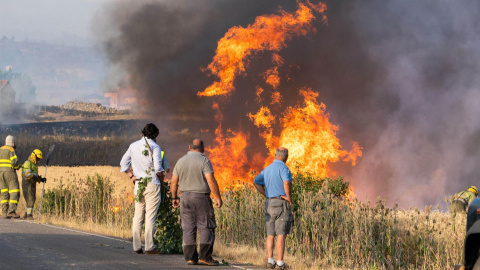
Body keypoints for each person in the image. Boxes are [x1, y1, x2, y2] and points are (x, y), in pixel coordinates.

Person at [170, 139, 223, 266]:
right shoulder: (204, 160)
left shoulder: (180, 161)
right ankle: (204, 257)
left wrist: (174, 198)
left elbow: (173, 182)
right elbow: (210, 180)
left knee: (188, 227)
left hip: (185, 198)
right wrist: (218, 197)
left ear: (189, 147)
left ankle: (190, 258)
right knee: (206, 226)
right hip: (201, 198)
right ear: (203, 149)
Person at [120, 123, 165, 255]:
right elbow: (157, 167)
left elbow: (123, 163)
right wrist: (162, 177)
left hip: (139, 184)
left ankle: (136, 247)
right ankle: (150, 247)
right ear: (155, 135)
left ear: (143, 133)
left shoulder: (133, 146)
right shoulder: (155, 146)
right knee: (150, 216)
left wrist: (131, 176)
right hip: (152, 184)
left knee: (138, 215)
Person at [253, 147, 294, 270]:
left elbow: (256, 182)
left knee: (270, 233)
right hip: (281, 203)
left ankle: (270, 261)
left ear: (275, 155)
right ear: (286, 157)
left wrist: (266, 194)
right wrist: (288, 197)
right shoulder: (283, 168)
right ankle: (280, 263)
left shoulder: (267, 169)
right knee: (281, 233)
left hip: (270, 203)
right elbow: (286, 182)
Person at [21, 149, 46, 220]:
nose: (38, 159)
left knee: (32, 199)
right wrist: (35, 176)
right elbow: (28, 174)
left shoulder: (35, 165)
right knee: (30, 199)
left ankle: (26, 214)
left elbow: (35, 176)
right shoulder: (27, 163)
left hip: (32, 183)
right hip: (27, 183)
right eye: (37, 158)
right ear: (34, 156)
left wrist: (41, 179)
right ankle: (29, 215)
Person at [0, 135, 21, 219]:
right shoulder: (11, 149)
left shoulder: (0, 149)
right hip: (9, 173)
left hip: (0, 173)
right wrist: (18, 167)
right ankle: (12, 211)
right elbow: (14, 163)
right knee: (14, 191)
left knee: (4, 193)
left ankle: (4, 212)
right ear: (12, 142)